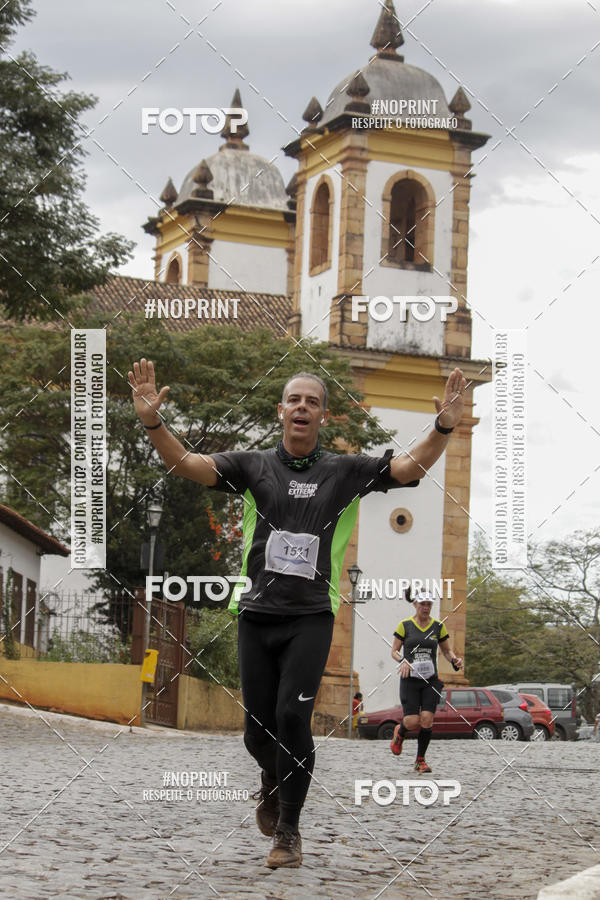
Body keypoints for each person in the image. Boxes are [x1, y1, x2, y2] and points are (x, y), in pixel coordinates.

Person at [128, 358, 467, 867]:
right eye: (295, 399)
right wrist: (153, 421)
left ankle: (288, 831)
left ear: (323, 417)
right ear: (280, 410)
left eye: (313, 401)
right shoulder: (252, 465)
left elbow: (409, 467)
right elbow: (188, 465)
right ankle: (273, 778)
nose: (302, 406)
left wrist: (443, 427)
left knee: (292, 716)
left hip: (311, 614)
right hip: (258, 613)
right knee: (255, 732)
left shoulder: (345, 471)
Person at [390, 589, 463, 773]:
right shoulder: (405, 625)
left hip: (430, 680)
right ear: (415, 604)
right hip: (410, 680)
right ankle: (400, 732)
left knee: (427, 719)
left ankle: (420, 760)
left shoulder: (438, 627)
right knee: (413, 721)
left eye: (429, 604)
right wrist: (403, 661)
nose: (426, 608)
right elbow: (394, 651)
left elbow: (446, 651)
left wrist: (454, 659)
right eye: (422, 604)